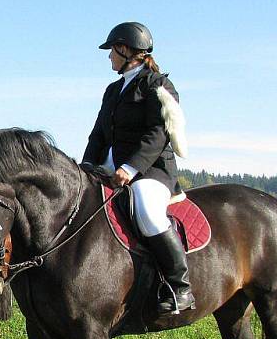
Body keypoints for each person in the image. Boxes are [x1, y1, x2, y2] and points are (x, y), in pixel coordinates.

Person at [82, 22, 194, 314]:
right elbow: (98, 135)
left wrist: (131, 168)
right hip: (111, 168)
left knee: (146, 210)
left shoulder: (158, 85)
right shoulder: (112, 90)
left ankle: (180, 286)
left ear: (125, 49)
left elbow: (157, 134)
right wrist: (85, 168)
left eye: (111, 52)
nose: (109, 57)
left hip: (151, 170)